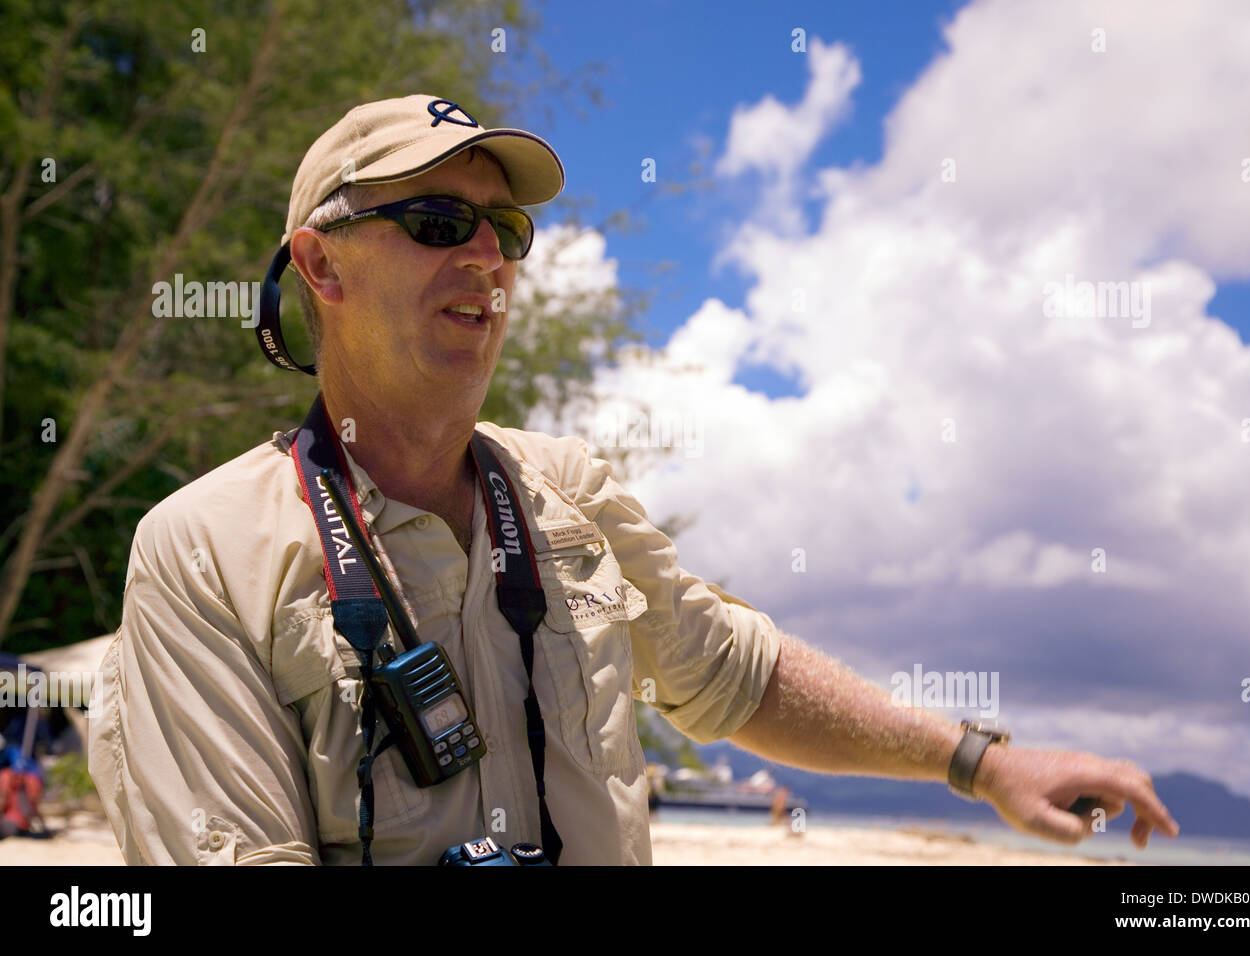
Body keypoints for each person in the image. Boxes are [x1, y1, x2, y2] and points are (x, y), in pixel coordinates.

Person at [87, 94, 1179, 865]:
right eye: (435, 222)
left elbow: (732, 676)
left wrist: (984, 762)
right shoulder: (203, 550)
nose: (487, 258)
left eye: (505, 230)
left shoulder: (565, 490)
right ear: (319, 264)